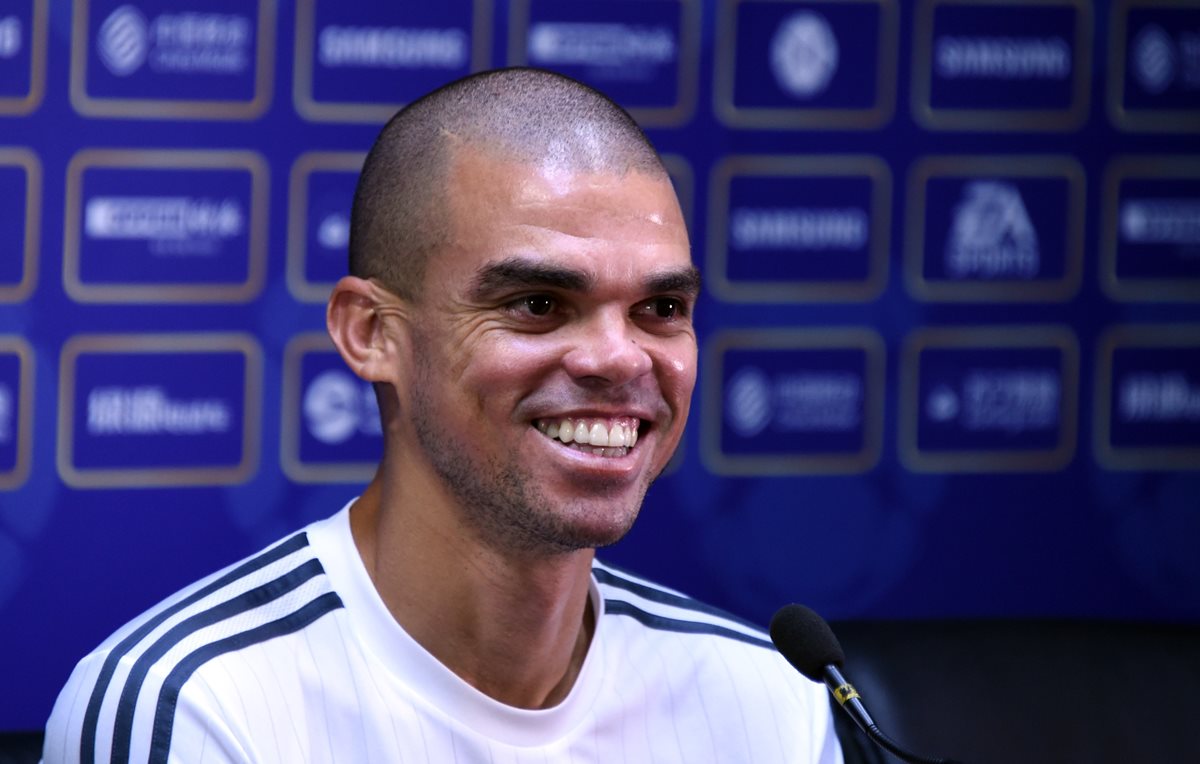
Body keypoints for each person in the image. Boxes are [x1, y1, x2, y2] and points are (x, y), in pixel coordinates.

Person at [44, 68, 841, 763]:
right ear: (372, 333)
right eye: (538, 304)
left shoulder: (772, 700)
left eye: (661, 307)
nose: (622, 359)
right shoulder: (188, 708)